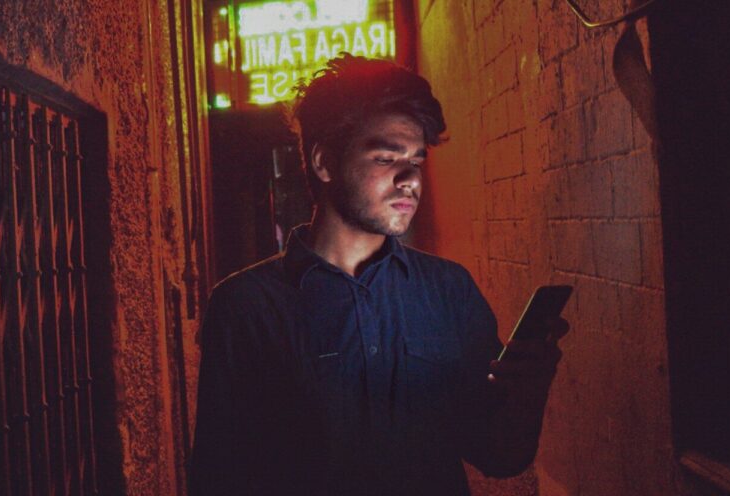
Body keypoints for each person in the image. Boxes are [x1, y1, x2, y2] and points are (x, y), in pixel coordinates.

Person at [188, 54, 567, 496]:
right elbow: (218, 478)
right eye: (387, 158)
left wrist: (529, 389)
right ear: (324, 162)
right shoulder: (246, 306)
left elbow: (500, 455)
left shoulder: (449, 290)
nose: (410, 179)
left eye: (417, 161)